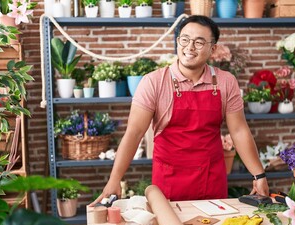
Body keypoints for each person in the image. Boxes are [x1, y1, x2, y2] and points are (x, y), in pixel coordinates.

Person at [90, 15, 269, 205]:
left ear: (213, 49)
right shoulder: (154, 82)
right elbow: (134, 133)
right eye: (184, 40)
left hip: (211, 178)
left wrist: (259, 175)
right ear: (177, 42)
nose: (189, 48)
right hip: (168, 181)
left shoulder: (226, 82)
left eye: (199, 42)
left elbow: (239, 130)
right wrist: (114, 179)